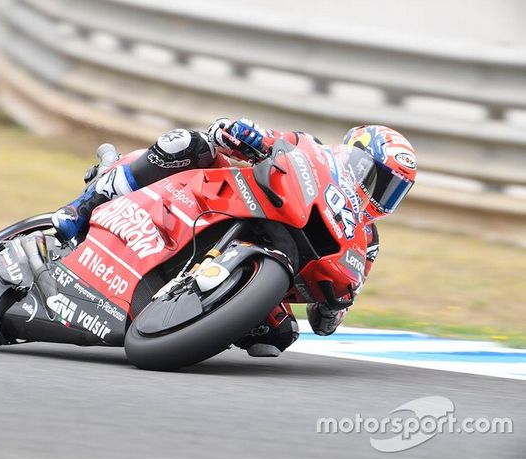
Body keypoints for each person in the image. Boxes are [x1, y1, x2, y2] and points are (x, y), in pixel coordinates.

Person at [51, 119, 417, 357]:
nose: (380, 194)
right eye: (378, 179)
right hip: (224, 199)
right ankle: (85, 205)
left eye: (393, 191)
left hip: (276, 257)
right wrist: (242, 133)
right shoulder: (311, 150)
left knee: (278, 336)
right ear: (352, 156)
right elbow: (261, 137)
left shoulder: (366, 242)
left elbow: (326, 321)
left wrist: (336, 307)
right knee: (184, 144)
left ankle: (189, 319)